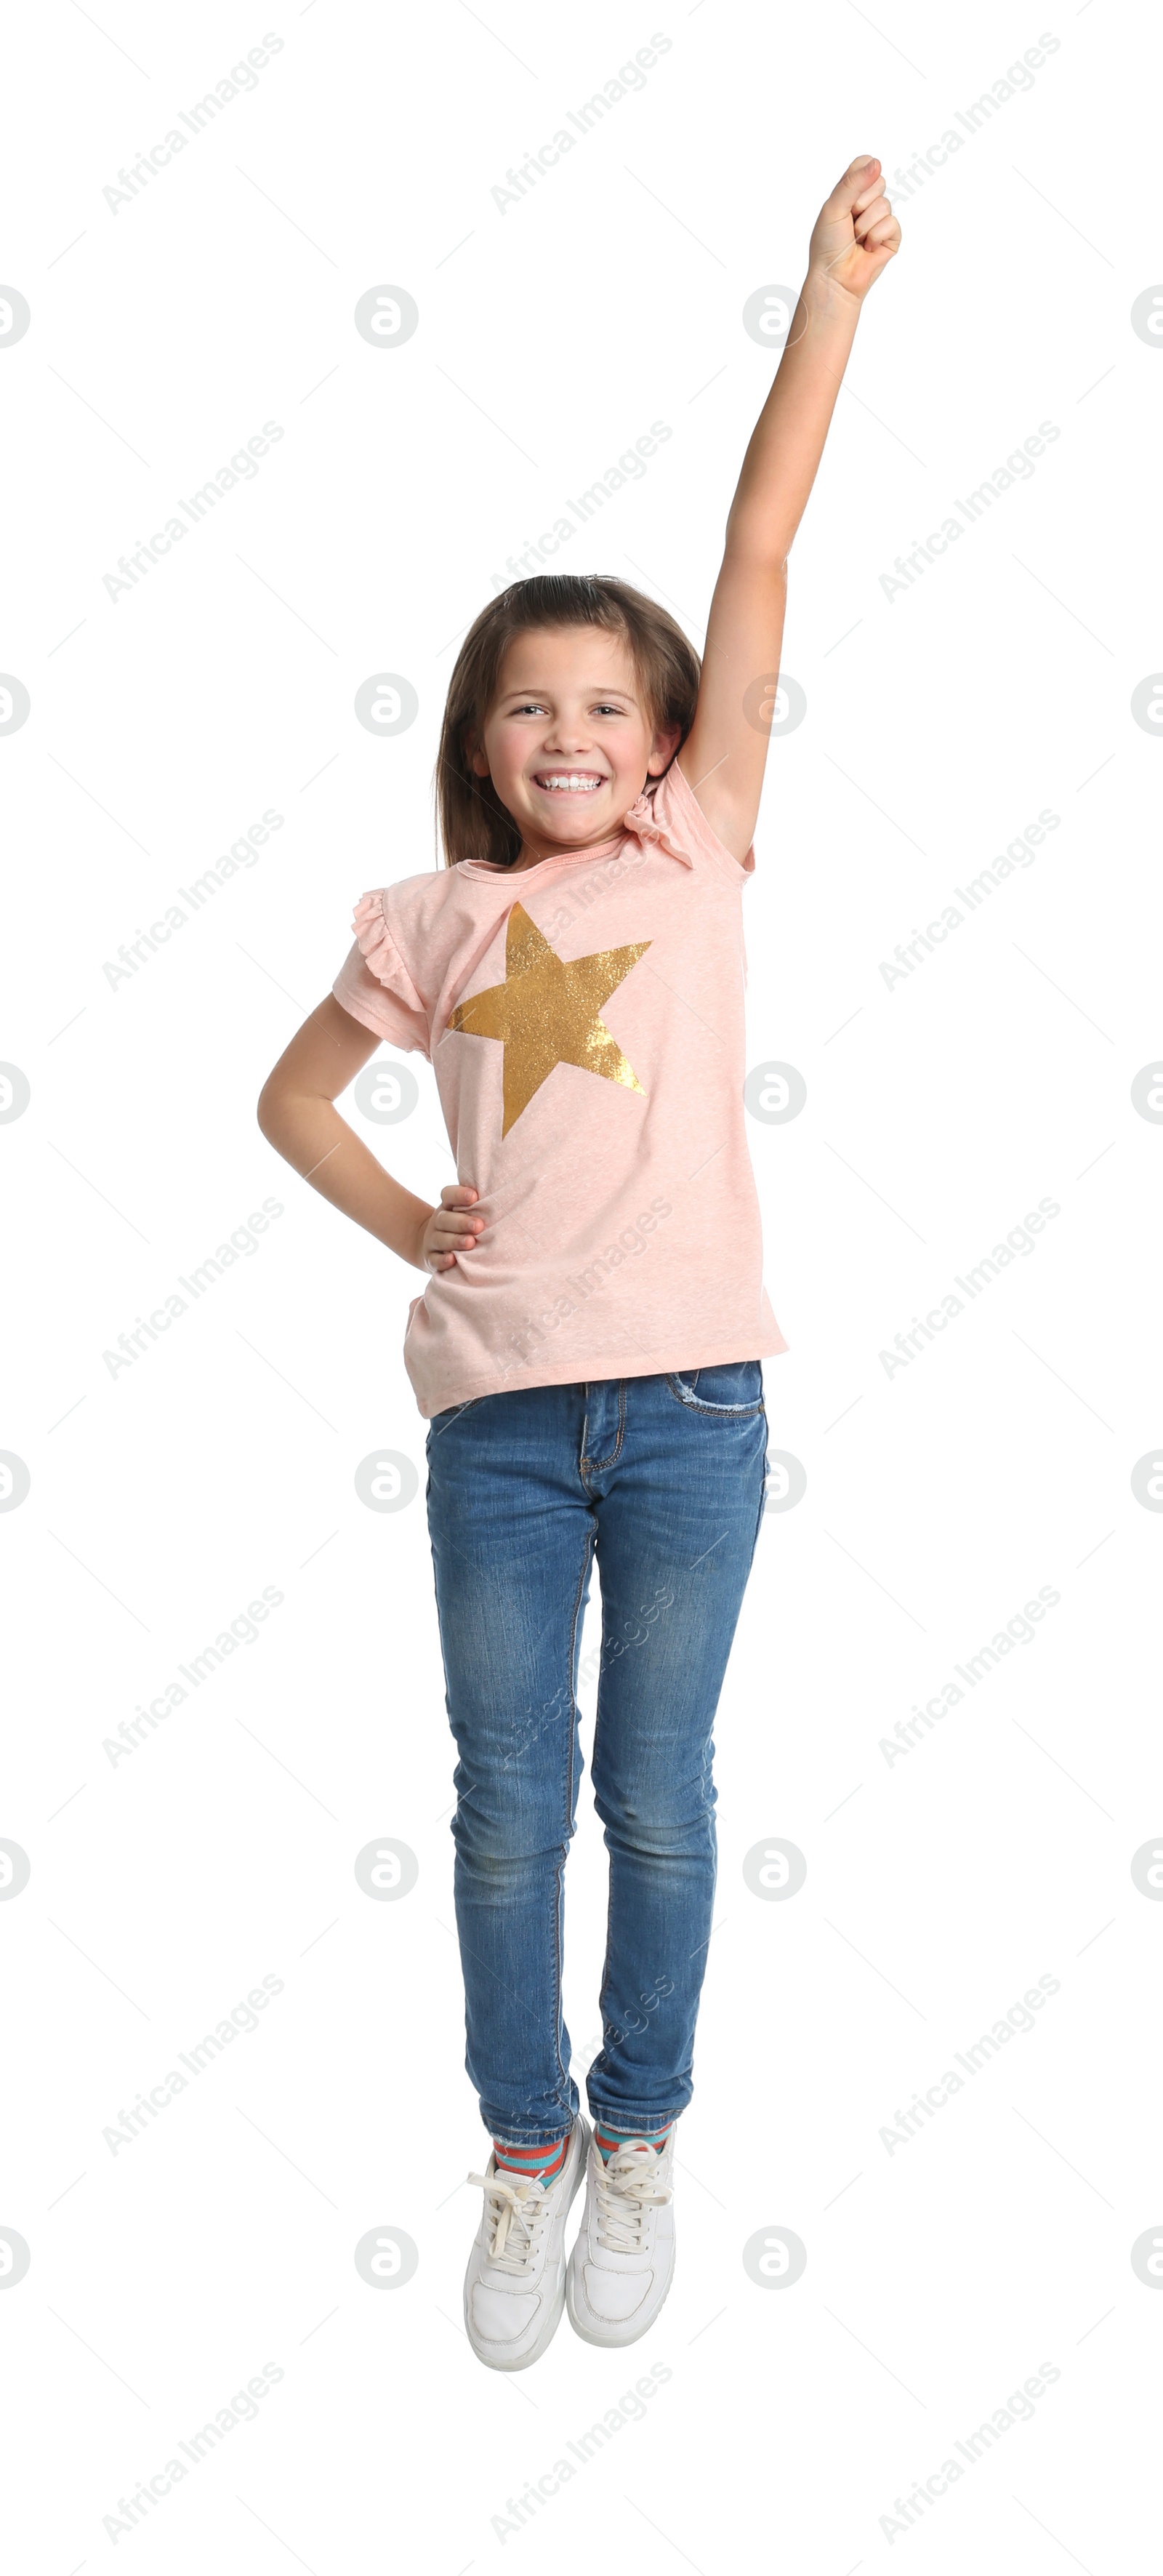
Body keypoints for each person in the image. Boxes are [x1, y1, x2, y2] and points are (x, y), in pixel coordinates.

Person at [258, 155, 901, 2371]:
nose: (573, 740)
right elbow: (291, 1102)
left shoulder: (696, 851)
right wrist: (400, 1220)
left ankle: (644, 2131)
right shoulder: (437, 919)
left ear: (660, 736)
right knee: (512, 1797)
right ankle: (523, 2147)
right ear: (477, 738)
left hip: (699, 1404)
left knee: (661, 1792)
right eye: (529, 712)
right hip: (502, 1420)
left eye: (607, 709)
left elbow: (759, 549)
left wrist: (824, 301)